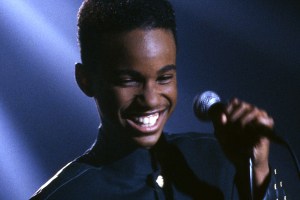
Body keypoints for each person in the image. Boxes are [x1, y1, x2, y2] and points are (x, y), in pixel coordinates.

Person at [30, 0, 299, 199]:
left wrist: (257, 168)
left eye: (163, 78)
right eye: (129, 80)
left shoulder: (222, 161)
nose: (150, 99)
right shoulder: (63, 195)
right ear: (85, 80)